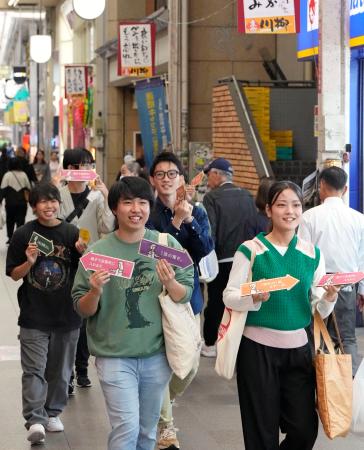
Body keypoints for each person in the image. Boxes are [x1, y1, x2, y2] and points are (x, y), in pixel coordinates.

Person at [72, 177, 194, 450]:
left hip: (156, 354)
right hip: (113, 355)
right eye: (127, 202)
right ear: (115, 208)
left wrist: (171, 282)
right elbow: (81, 308)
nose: (135, 208)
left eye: (142, 202)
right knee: (126, 426)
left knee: (147, 431)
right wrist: (94, 291)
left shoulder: (165, 246)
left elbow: (185, 292)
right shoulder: (97, 253)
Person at [223, 180, 339, 450]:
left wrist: (330, 297)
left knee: (304, 430)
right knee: (260, 432)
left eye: (296, 205)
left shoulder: (312, 254)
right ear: (268, 210)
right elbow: (229, 295)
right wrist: (253, 296)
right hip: (257, 352)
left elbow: (317, 307)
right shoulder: (250, 250)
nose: (290, 211)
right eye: (282, 205)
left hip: (299, 351)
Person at [5, 182, 83, 445]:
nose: (49, 206)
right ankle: (35, 419)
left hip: (67, 314)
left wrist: (85, 253)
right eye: (43, 202)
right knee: (34, 370)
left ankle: (52, 412)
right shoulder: (23, 235)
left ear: (59, 204)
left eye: (53, 201)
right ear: (34, 206)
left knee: (61, 371)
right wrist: (29, 262)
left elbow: (85, 272)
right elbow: (14, 275)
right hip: (34, 314)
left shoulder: (72, 233)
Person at [148, 152, 214, 450]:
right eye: (160, 174)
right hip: (152, 295)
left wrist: (187, 219)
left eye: (171, 173)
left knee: (188, 364)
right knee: (160, 363)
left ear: (181, 179)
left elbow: (204, 249)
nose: (166, 179)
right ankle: (165, 428)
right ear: (152, 179)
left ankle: (162, 398)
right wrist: (174, 222)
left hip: (188, 296)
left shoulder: (196, 211)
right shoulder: (145, 211)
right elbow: (153, 251)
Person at [297, 166, 364, 375]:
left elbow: (303, 257)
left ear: (321, 186)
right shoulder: (358, 218)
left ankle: (319, 385)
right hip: (346, 285)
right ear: (345, 189)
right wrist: (361, 289)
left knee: (316, 336)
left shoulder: (309, 217)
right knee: (347, 339)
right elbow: (362, 257)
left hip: (318, 285)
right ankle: (349, 388)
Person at [58, 148, 115, 392]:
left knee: (83, 317)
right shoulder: (57, 195)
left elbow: (107, 226)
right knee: (66, 317)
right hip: (62, 261)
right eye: (82, 165)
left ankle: (81, 368)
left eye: (89, 164)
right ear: (69, 169)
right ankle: (66, 371)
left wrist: (106, 196)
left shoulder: (97, 196)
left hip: (89, 260)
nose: (86, 169)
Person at [201, 157, 257, 357]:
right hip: (246, 259)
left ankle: (210, 343)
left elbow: (210, 230)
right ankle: (239, 342)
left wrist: (207, 258)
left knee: (217, 301)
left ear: (217, 174)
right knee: (240, 302)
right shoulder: (247, 196)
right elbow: (254, 226)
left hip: (221, 260)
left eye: (209, 175)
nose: (208, 180)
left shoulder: (212, 198)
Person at [0, 157, 31, 243]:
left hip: (10, 203)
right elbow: (28, 188)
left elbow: (3, 190)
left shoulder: (7, 175)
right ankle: (19, 238)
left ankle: (10, 237)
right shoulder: (23, 174)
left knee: (10, 220)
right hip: (22, 203)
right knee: (21, 221)